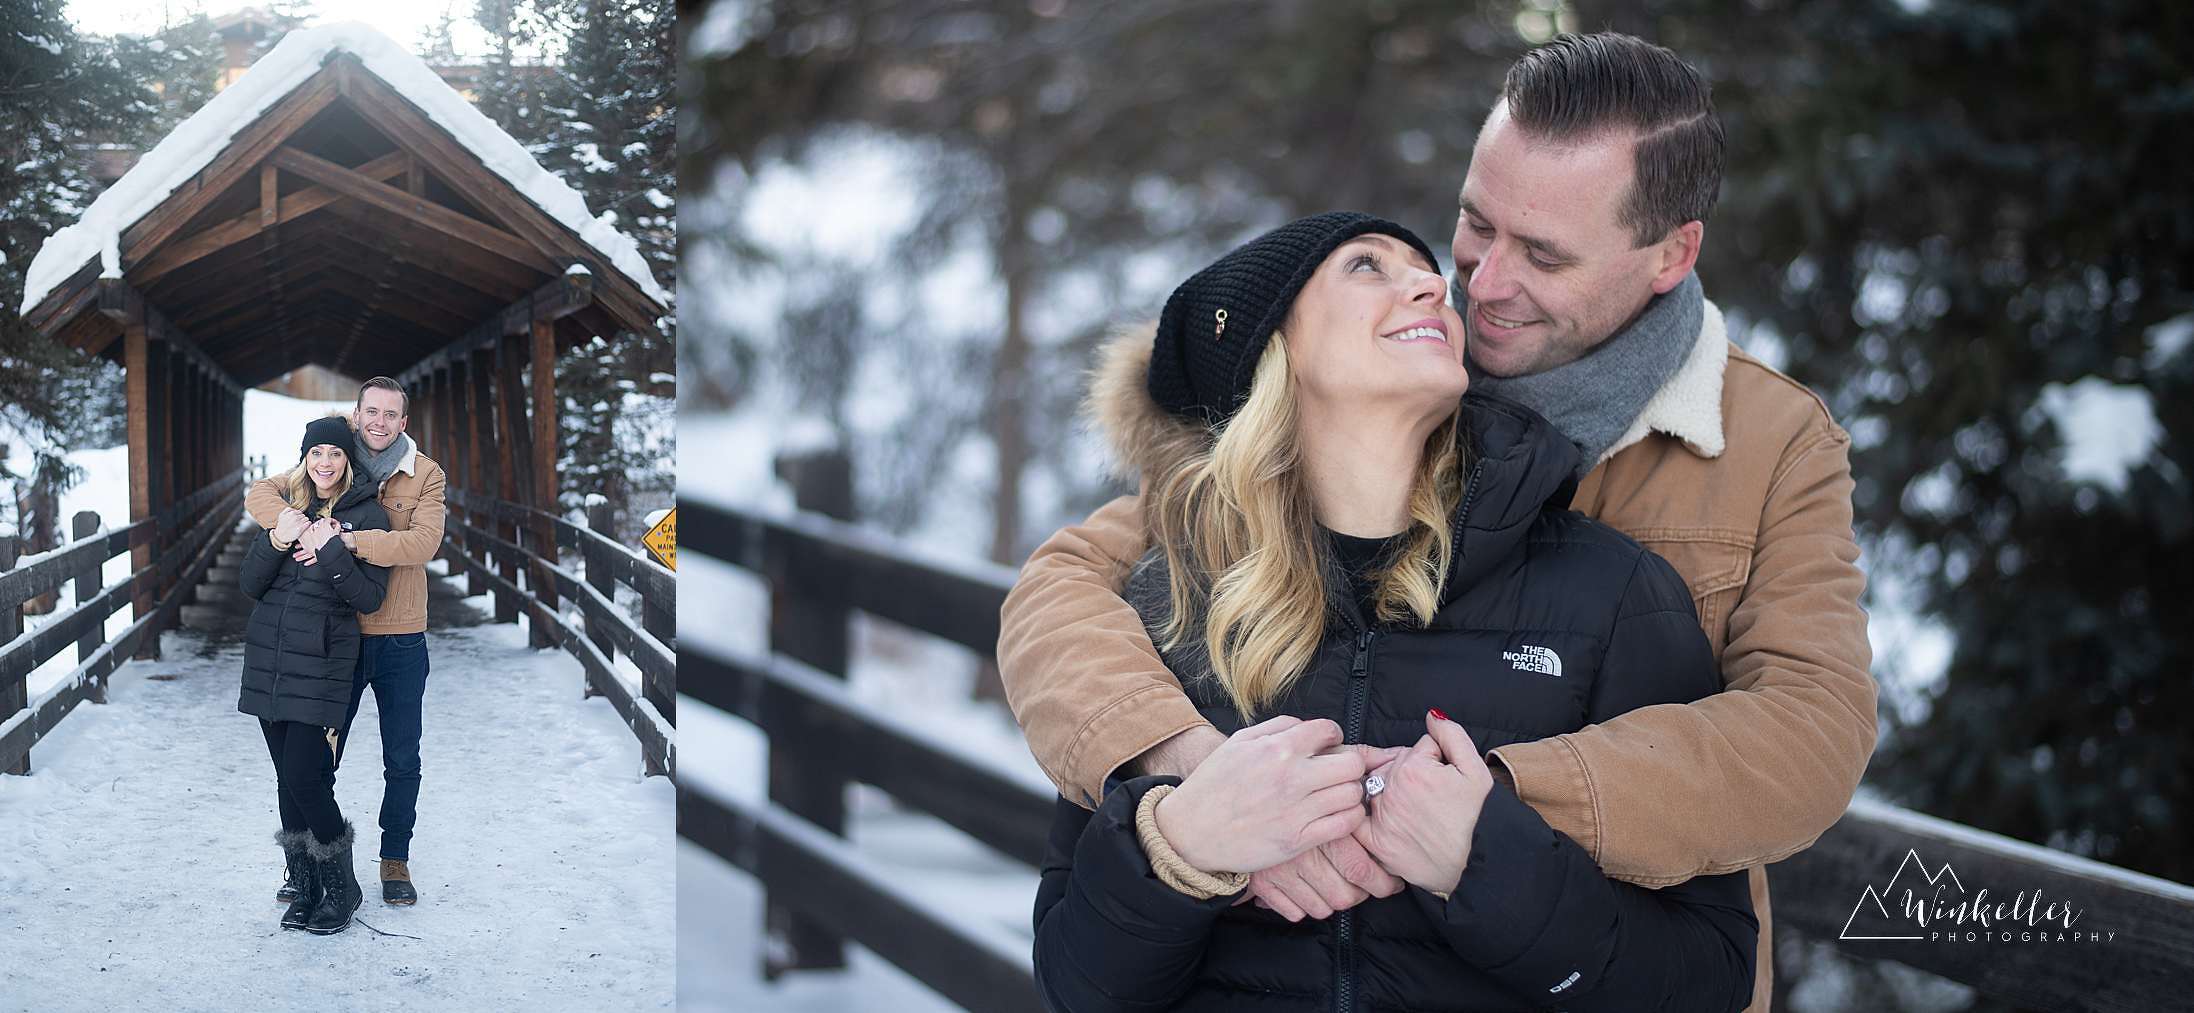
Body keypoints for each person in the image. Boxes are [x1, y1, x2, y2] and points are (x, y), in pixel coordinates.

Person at [1000, 33, 1876, 1010]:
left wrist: (1473, 804)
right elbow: (1076, 583)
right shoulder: (1398, 374)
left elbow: (1807, 732)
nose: (1481, 282)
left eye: (1542, 254)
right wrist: (1193, 787)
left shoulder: (1765, 443)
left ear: (1669, 252)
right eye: (1472, 224)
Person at [1032, 211, 1757, 1011]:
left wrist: (1486, 868)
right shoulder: (1165, 607)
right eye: (1367, 267)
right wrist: (1184, 846)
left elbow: (1711, 977)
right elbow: (1076, 987)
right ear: (1274, 349)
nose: (1434, 283)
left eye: (1426, 269)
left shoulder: (1610, 592)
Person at [247, 376, 447, 906]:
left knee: (401, 757)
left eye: (391, 414)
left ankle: (394, 861)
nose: (379, 422)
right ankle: (311, 865)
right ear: (357, 416)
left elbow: (424, 541)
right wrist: (288, 525)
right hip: (338, 638)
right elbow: (260, 491)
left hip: (400, 634)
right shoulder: (331, 456)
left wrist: (345, 538)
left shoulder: (424, 474)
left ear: (404, 422)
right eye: (371, 412)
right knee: (310, 763)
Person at [240, 416, 389, 935]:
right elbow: (251, 584)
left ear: (349, 461)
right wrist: (277, 539)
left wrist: (332, 549)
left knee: (307, 775)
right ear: (305, 457)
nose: (325, 463)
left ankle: (343, 889)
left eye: (336, 454)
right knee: (287, 780)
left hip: (324, 661)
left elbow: (369, 597)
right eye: (316, 453)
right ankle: (306, 889)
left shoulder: (368, 513)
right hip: (270, 659)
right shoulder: (287, 508)